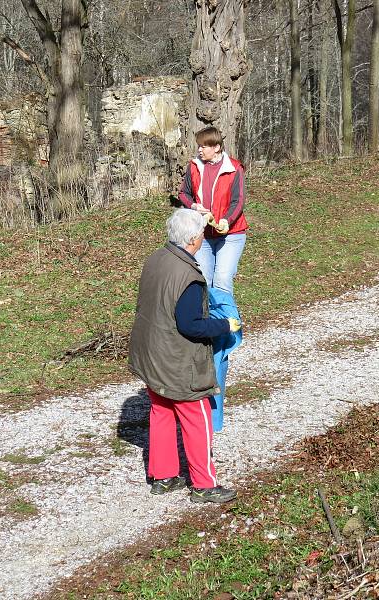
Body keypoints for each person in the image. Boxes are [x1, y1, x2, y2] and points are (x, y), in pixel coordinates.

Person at [128, 208, 242, 503]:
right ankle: (204, 484)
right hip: (177, 359)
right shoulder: (189, 278)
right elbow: (191, 324)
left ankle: (164, 477)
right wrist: (223, 325)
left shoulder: (156, 259)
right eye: (202, 234)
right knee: (197, 416)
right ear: (192, 239)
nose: (203, 237)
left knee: (162, 411)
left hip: (152, 354)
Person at [178, 126, 248, 295]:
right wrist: (194, 206)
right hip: (202, 234)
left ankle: (227, 320)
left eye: (204, 146)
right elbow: (183, 194)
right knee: (204, 281)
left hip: (231, 234)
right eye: (199, 146)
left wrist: (226, 221)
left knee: (222, 279)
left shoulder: (234, 168)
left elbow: (238, 201)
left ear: (216, 147)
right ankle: (208, 321)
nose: (200, 150)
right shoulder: (194, 166)